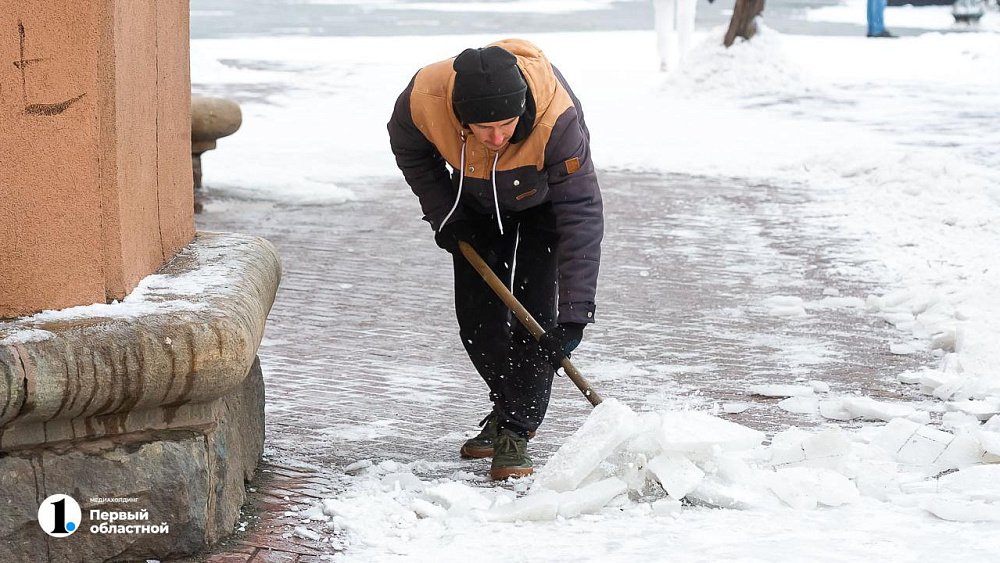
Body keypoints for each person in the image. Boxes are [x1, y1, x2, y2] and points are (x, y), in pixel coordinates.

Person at [387, 39, 604, 480]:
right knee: (477, 321)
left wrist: (576, 315)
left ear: (521, 106)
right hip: (473, 204)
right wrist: (445, 213)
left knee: (535, 319)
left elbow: (581, 212)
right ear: (459, 114)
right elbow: (410, 150)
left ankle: (515, 432)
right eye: (483, 128)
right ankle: (507, 406)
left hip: (543, 204)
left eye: (505, 124)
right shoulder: (424, 98)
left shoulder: (556, 119)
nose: (497, 137)